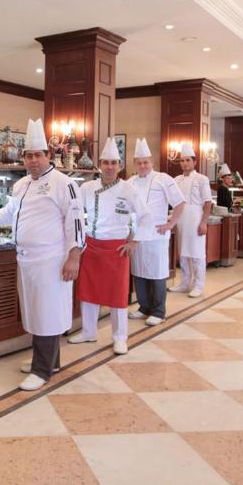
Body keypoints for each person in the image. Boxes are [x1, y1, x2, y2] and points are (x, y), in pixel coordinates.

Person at [0, 118, 84, 391]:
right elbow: (9, 213)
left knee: (47, 312)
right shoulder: (21, 185)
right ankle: (50, 361)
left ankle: (42, 371)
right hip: (25, 258)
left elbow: (76, 222)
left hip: (51, 259)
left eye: (37, 155)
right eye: (28, 156)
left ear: (48, 155)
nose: (33, 161)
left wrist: (74, 257)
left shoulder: (64, 183)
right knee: (34, 311)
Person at [69, 137, 149, 355]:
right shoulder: (87, 187)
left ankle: (120, 338)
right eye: (106, 163)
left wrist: (135, 241)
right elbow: (74, 211)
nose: (110, 167)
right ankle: (88, 332)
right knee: (88, 291)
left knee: (117, 295)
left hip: (116, 248)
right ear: (99, 165)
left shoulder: (128, 189)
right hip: (91, 245)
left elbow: (145, 216)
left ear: (119, 166)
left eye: (114, 163)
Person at [127, 138, 185, 326]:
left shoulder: (163, 179)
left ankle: (159, 312)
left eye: (145, 162)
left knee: (157, 273)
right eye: (139, 163)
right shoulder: (130, 182)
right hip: (137, 236)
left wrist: (170, 224)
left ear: (151, 162)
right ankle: (144, 307)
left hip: (156, 235)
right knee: (139, 272)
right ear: (135, 164)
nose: (142, 166)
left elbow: (180, 203)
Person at [170, 142, 213, 298]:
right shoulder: (176, 179)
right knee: (183, 253)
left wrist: (204, 222)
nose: (184, 163)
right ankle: (184, 283)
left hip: (195, 218)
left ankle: (198, 285)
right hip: (181, 218)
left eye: (188, 160)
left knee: (196, 253)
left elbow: (207, 202)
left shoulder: (202, 179)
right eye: (182, 160)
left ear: (194, 162)